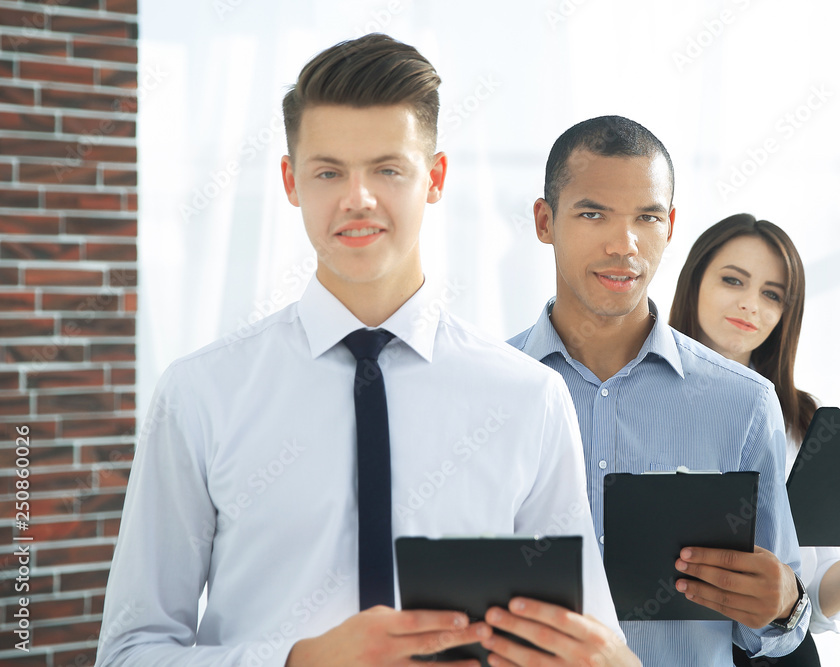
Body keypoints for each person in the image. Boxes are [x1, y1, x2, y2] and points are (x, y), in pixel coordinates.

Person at [95, 34, 640, 667]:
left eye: (388, 169)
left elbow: (594, 647)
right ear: (291, 182)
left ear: (433, 178)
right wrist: (298, 663)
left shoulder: (528, 399)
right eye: (329, 172)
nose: (358, 198)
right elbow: (129, 653)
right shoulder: (199, 394)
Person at [508, 116, 811, 667]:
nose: (624, 245)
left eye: (646, 217)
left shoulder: (745, 404)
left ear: (669, 226)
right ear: (545, 221)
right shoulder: (488, 391)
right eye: (593, 213)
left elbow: (775, 631)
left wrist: (783, 605)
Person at [668, 213, 840, 666]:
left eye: (771, 294)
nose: (750, 305)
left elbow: (815, 603)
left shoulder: (805, 423)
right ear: (693, 281)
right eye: (732, 280)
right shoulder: (634, 400)